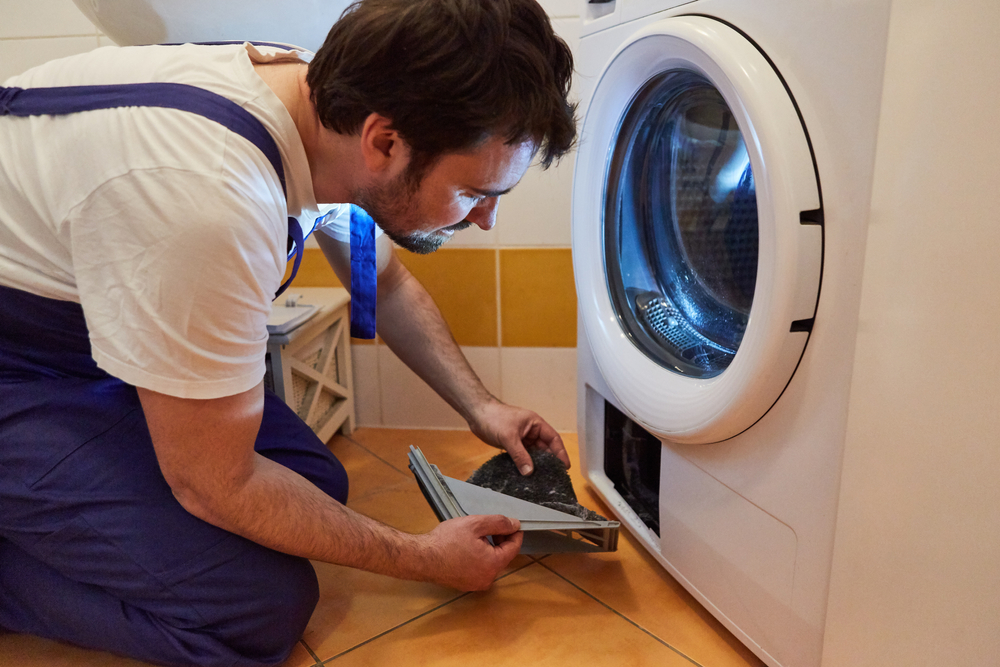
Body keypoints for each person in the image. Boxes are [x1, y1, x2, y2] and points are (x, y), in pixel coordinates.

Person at [0, 0, 576, 665]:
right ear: (385, 143)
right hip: (18, 363)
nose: (487, 220)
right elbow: (212, 482)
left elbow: (378, 286)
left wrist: (485, 408)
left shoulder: (326, 114)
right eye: (477, 191)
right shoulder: (211, 198)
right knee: (256, 603)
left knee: (309, 481)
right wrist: (423, 558)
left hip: (81, 346)